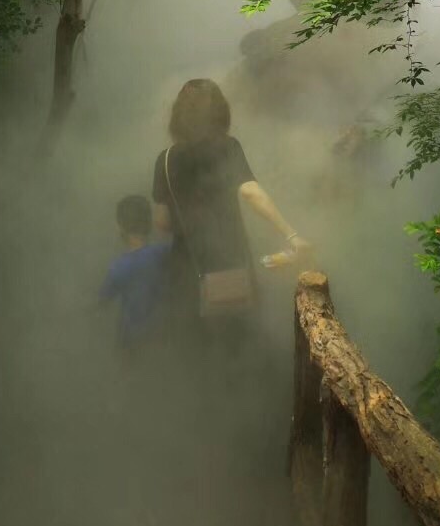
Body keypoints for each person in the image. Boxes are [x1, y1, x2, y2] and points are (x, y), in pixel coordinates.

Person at [151, 79, 307, 335]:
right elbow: (250, 191)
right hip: (231, 268)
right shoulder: (227, 147)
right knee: (239, 342)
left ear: (177, 116)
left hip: (187, 273)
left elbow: (162, 222)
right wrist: (291, 234)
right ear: (220, 112)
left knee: (196, 347)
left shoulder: (164, 160)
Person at [98, 194, 170, 350]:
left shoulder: (119, 268)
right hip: (162, 335)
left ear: (121, 228)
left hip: (132, 342)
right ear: (149, 223)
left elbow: (102, 300)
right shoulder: (164, 253)